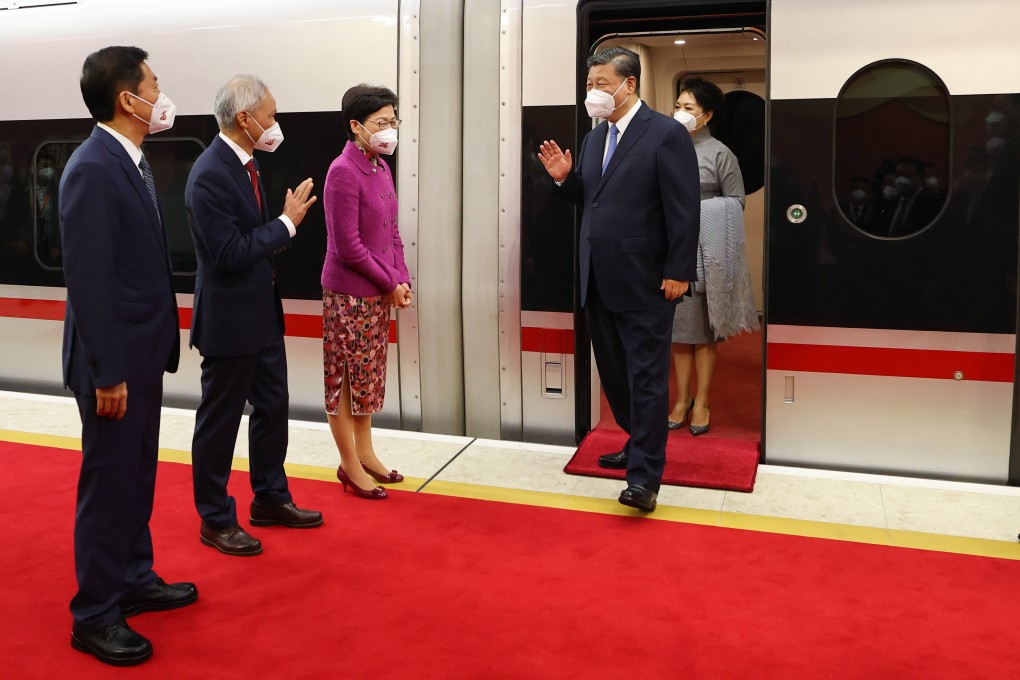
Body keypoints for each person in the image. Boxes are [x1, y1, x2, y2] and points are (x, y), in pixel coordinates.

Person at [60, 46, 197, 667]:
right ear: (128, 99)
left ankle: (134, 578)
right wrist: (106, 371)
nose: (161, 95)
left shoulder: (131, 162)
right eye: (154, 85)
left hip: (141, 356)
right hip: (114, 365)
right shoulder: (93, 168)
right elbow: (90, 280)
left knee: (138, 474)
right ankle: (94, 614)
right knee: (109, 485)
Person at [539, 47, 700, 512]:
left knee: (647, 378)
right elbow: (593, 199)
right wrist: (566, 181)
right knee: (616, 377)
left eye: (603, 84)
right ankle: (637, 441)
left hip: (647, 280)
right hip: (598, 279)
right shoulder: (594, 139)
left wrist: (678, 270)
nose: (594, 92)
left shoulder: (665, 134)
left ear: (630, 85)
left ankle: (645, 478)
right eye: (590, 84)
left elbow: (683, 210)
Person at [186, 74, 322, 556]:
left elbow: (248, 239)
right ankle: (215, 518)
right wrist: (286, 224)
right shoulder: (209, 173)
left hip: (261, 315)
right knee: (219, 422)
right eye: (269, 114)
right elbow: (226, 252)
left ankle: (269, 497)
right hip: (228, 322)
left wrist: (278, 226)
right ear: (244, 119)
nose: (274, 123)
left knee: (272, 408)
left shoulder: (247, 165)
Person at [321, 84, 411, 500]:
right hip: (348, 295)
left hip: (377, 294)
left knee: (368, 377)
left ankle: (367, 453)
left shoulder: (380, 167)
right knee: (344, 380)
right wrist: (389, 282)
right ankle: (350, 465)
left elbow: (392, 231)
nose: (390, 129)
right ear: (356, 126)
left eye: (393, 121)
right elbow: (348, 246)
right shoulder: (342, 171)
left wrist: (402, 278)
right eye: (382, 123)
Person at [669, 77, 758, 435]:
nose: (679, 113)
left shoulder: (720, 154)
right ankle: (681, 398)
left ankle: (702, 399)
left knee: (704, 333)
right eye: (677, 106)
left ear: (706, 116)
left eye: (688, 108)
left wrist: (698, 210)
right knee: (678, 331)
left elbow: (736, 201)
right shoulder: (664, 146)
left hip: (707, 253)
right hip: (671, 249)